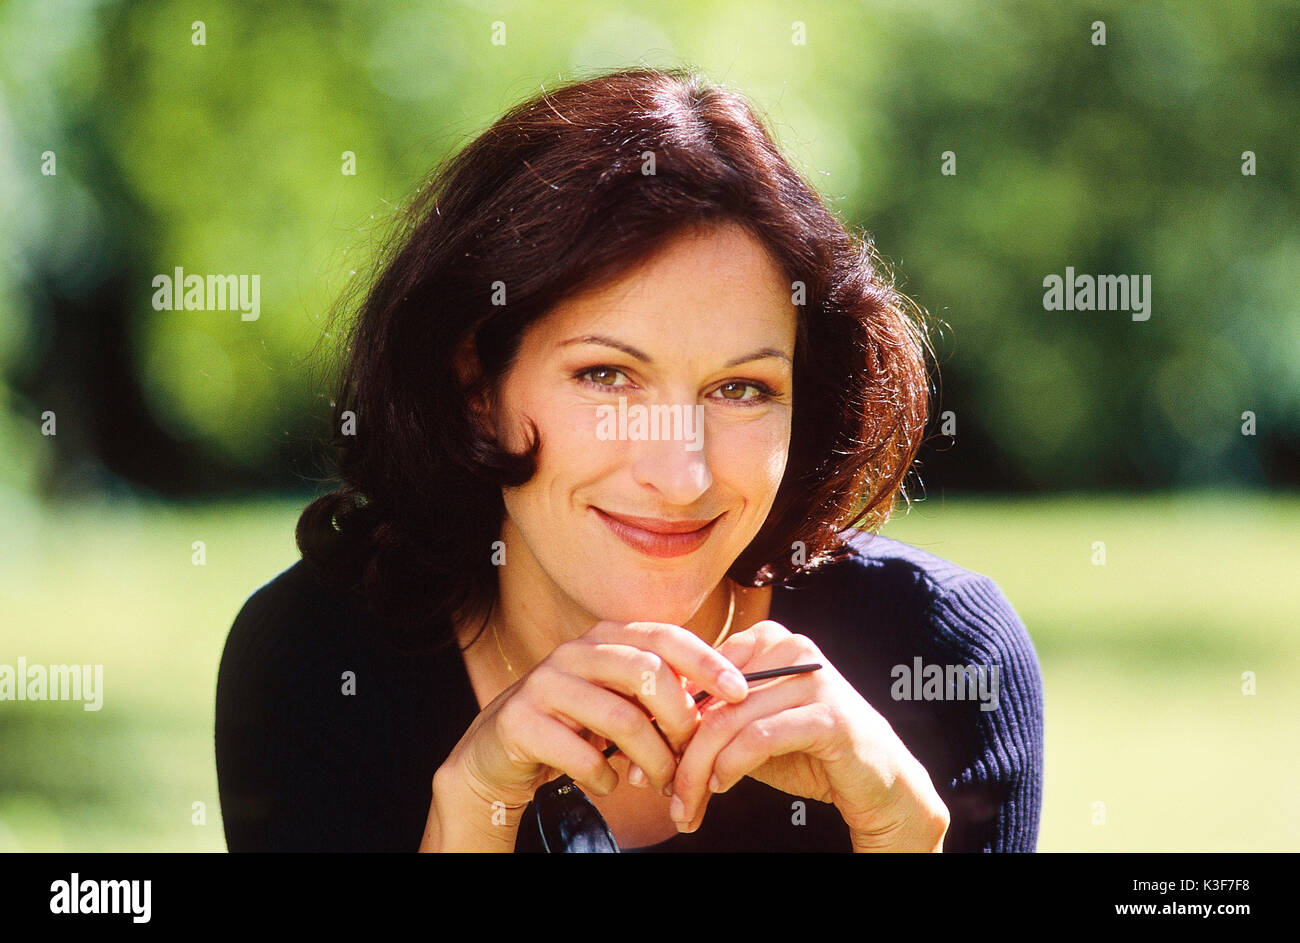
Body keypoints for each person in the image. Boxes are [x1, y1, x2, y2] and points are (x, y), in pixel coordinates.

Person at [215, 66, 1044, 852]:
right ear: (476, 384)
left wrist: (900, 839)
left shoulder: (941, 657)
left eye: (743, 389)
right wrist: (473, 812)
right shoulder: (317, 666)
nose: (681, 475)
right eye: (607, 376)